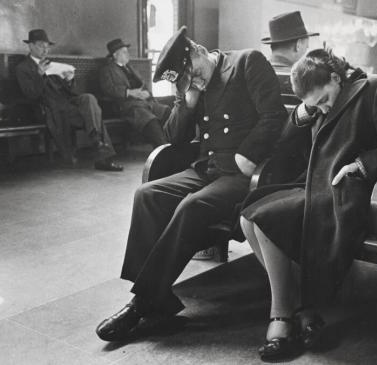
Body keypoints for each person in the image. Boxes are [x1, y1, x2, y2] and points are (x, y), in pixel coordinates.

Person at [95, 26, 287, 342]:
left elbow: (273, 116)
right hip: (207, 169)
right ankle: (157, 299)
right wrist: (187, 101)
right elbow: (174, 138)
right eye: (187, 80)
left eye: (194, 75)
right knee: (147, 194)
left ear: (198, 51)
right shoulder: (195, 85)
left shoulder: (246, 62)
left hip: (244, 174)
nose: (195, 81)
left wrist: (248, 154)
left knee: (192, 206)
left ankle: (143, 302)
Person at [240, 48, 377, 362]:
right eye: (316, 105)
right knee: (247, 219)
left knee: (264, 218)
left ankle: (281, 318)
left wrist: (362, 166)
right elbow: (285, 146)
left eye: (323, 99)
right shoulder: (320, 98)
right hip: (314, 184)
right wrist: (302, 114)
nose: (322, 107)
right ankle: (304, 310)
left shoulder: (376, 89)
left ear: (336, 77)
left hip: (346, 189)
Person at [16, 29, 122, 171]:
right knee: (94, 115)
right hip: (48, 107)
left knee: (89, 99)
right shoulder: (22, 68)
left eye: (48, 46)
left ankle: (97, 142)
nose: (45, 49)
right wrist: (39, 75)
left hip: (66, 104)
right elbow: (31, 94)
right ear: (30, 46)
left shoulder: (52, 65)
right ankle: (102, 156)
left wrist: (69, 80)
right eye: (41, 45)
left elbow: (70, 92)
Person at [100, 38, 171, 146]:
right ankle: (163, 149)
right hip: (126, 105)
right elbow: (108, 89)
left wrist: (147, 93)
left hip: (144, 102)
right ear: (115, 55)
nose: (127, 54)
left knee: (167, 112)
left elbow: (143, 84)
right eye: (124, 52)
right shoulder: (107, 70)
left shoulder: (130, 68)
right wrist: (129, 92)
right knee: (150, 120)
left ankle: (173, 146)